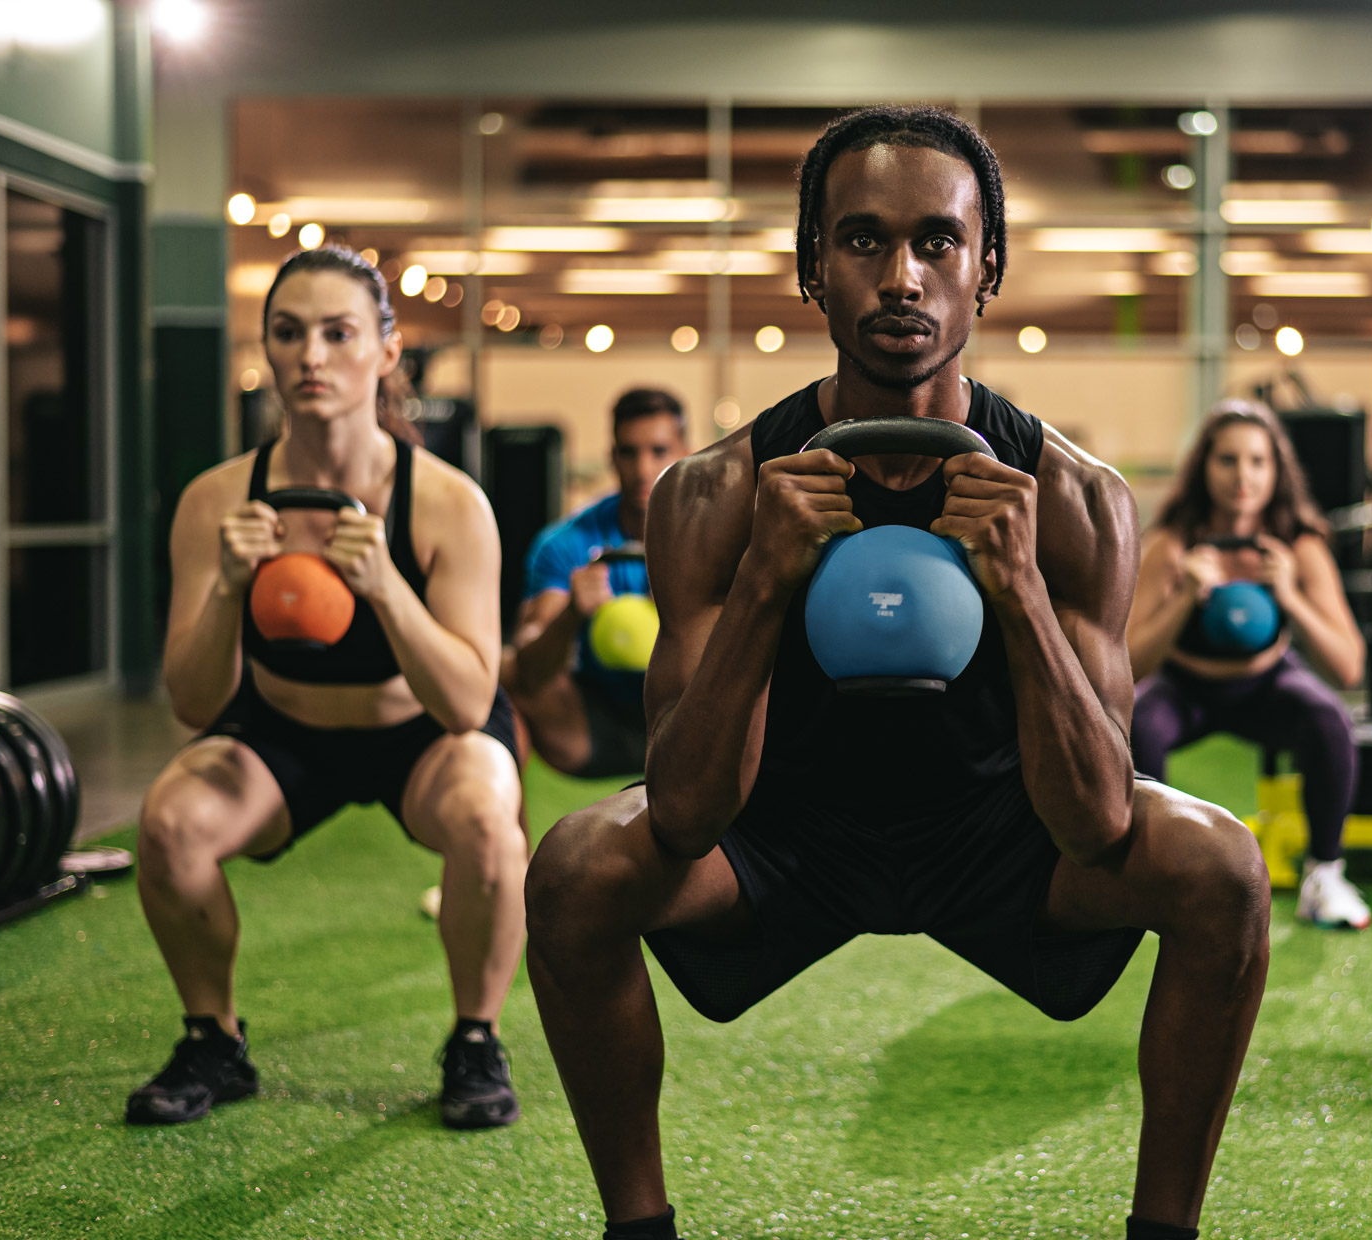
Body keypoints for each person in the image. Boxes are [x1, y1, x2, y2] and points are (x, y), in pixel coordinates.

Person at [524, 105, 1270, 1240]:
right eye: (863, 241)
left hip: (1005, 838)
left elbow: (1097, 814)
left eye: (938, 243)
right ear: (811, 269)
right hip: (784, 836)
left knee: (1220, 866)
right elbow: (682, 809)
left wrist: (1015, 590)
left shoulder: (1074, 502)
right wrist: (770, 583)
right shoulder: (715, 495)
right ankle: (640, 1228)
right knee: (578, 867)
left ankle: (1164, 1230)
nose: (902, 277)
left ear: (989, 270)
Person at [129, 246, 528, 1129]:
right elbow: (195, 704)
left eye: (337, 333)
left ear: (386, 352)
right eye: (289, 333)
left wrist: (386, 584)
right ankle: (214, 1040)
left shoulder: (449, 504)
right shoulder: (216, 502)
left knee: (488, 819)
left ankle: (475, 1040)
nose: (311, 356)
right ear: (266, 352)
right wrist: (231, 586)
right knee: (169, 822)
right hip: (283, 731)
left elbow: (468, 703)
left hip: (420, 733)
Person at [1126, 401, 1368, 929]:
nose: (1243, 477)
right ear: (1203, 468)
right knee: (1138, 721)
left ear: (1276, 471)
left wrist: (1290, 593)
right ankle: (1152, 880)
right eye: (1228, 460)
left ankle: (1324, 876)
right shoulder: (1170, 546)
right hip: (1185, 688)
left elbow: (1348, 667)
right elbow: (1129, 665)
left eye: (1257, 461)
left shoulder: (1300, 549)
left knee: (1328, 718)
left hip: (1267, 684)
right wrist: (1185, 595)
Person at [501, 388, 688, 779]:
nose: (642, 469)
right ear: (612, 457)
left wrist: (685, 607)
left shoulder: (712, 540)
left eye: (658, 451)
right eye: (628, 452)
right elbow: (529, 670)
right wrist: (570, 614)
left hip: (690, 726)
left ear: (685, 453)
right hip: (589, 730)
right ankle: (503, 834)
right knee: (501, 673)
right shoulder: (566, 543)